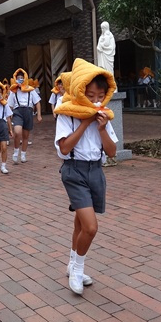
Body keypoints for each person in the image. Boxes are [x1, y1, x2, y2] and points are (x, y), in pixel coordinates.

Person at [54, 58, 119, 295]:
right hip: (74, 171)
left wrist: (101, 128)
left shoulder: (104, 118)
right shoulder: (68, 114)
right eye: (90, 95)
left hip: (96, 171)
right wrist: (84, 123)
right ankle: (78, 270)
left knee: (80, 223)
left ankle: (72, 263)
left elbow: (112, 152)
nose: (95, 101)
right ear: (80, 92)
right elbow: (64, 148)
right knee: (91, 227)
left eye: (100, 96)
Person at [8, 68, 41, 163]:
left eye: (21, 78)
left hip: (28, 112)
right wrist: (9, 116)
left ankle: (23, 154)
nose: (20, 79)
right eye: (18, 78)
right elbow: (10, 105)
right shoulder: (13, 91)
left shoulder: (31, 90)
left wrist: (39, 115)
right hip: (17, 112)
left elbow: (37, 102)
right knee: (17, 131)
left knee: (25, 135)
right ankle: (15, 152)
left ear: (25, 78)